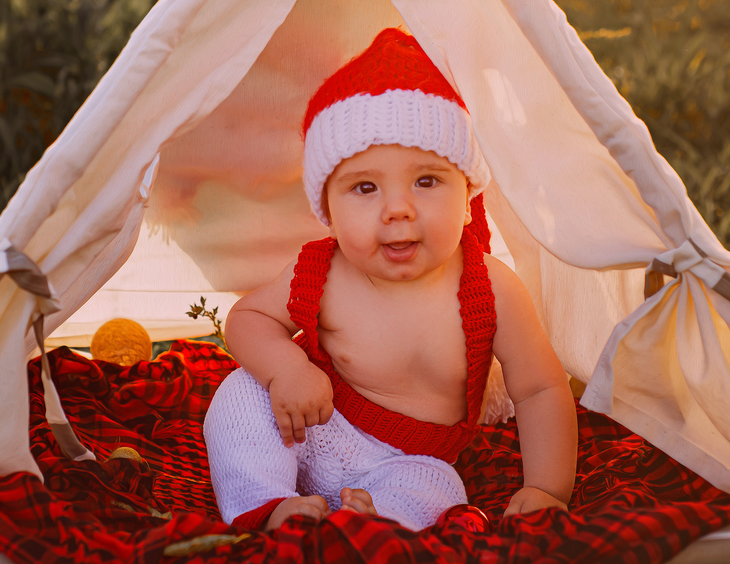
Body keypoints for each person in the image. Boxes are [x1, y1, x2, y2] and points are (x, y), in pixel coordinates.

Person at [203, 28, 578, 532]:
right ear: (328, 211)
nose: (397, 209)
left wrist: (547, 488)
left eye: (426, 181)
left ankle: (371, 521)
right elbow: (247, 317)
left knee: (442, 490)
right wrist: (285, 370)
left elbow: (540, 389)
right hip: (311, 422)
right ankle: (268, 503)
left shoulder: (490, 289)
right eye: (364, 187)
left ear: (467, 197)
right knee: (239, 396)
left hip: (408, 460)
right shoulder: (322, 271)